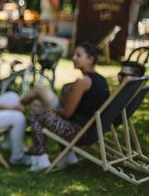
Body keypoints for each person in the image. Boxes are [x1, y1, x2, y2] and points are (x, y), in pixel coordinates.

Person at [24, 42, 109, 171]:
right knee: (41, 107)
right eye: (74, 55)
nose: (73, 58)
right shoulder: (101, 80)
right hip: (91, 131)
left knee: (36, 113)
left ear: (90, 60)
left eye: (78, 55)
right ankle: (69, 156)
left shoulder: (83, 81)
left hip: (77, 133)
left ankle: (40, 158)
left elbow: (67, 114)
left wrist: (51, 110)